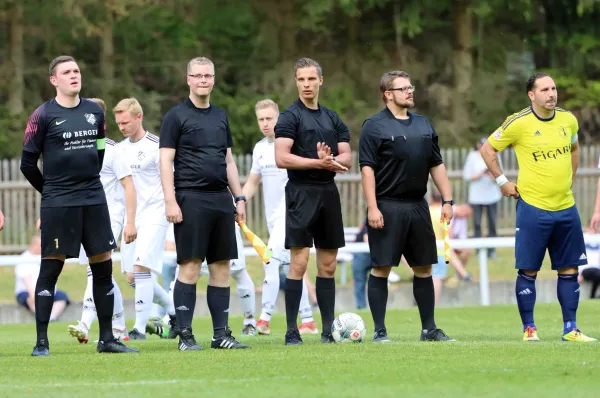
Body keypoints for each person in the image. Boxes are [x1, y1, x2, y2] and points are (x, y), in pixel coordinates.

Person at [19, 55, 137, 355]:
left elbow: (99, 151)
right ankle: (41, 342)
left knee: (103, 268)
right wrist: (51, 192)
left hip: (93, 199)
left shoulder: (94, 112)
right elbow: (27, 164)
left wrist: (86, 183)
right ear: (54, 80)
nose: (74, 75)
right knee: (50, 269)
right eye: (67, 72)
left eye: (77, 71)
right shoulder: (42, 115)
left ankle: (107, 339)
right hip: (58, 203)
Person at [480, 72, 596, 342]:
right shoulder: (518, 123)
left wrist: (570, 178)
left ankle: (571, 329)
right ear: (531, 95)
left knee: (569, 269)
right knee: (529, 269)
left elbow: (574, 148)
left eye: (554, 88)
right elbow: (488, 149)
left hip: (566, 207)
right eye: (544, 89)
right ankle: (529, 329)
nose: (551, 94)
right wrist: (502, 182)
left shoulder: (568, 120)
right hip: (533, 208)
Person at [358, 70, 455, 343]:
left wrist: (447, 200)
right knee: (382, 268)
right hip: (387, 207)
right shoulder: (374, 126)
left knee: (424, 268)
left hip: (418, 207)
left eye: (410, 87)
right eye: (403, 89)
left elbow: (436, 164)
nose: (410, 92)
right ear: (388, 94)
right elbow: (367, 170)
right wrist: (372, 207)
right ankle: (380, 331)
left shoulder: (424, 124)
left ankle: (429, 329)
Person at [159, 56, 249, 350]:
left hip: (220, 200)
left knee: (222, 266)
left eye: (207, 76)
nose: (202, 80)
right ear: (188, 79)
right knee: (191, 266)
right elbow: (165, 160)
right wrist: (171, 201)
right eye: (197, 76)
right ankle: (185, 336)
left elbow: (229, 160)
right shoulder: (175, 116)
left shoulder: (220, 115)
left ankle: (220, 335)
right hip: (190, 199)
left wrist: (240, 197)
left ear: (213, 78)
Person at [275, 57, 352, 345]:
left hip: (328, 194)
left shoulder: (332, 118)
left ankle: (328, 330)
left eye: (311, 79)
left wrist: (331, 161)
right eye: (301, 80)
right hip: (300, 192)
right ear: (296, 82)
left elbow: (347, 157)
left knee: (328, 264)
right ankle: (291, 330)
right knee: (299, 261)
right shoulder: (289, 117)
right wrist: (317, 163)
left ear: (321, 80)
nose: (306, 84)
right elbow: (281, 157)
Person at [242, 99, 319, 336]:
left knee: (270, 261)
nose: (265, 124)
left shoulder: (292, 146)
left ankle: (263, 319)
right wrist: (240, 201)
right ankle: (307, 320)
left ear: (278, 119)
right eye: (261, 120)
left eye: (269, 119)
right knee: (290, 267)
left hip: (293, 214)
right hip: (273, 219)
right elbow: (253, 181)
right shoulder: (259, 149)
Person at [68, 97, 136, 344]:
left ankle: (85, 324)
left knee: (95, 274)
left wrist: (130, 221)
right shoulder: (76, 148)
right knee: (101, 274)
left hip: (111, 216)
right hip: (87, 215)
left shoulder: (113, 150)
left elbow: (129, 186)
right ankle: (119, 326)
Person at [114, 97, 178, 340]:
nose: (122, 127)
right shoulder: (119, 149)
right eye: (119, 123)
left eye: (126, 122)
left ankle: (139, 328)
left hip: (155, 213)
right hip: (132, 216)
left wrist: (171, 206)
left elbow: (169, 179)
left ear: (139, 117)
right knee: (131, 277)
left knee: (141, 269)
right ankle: (174, 313)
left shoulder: (156, 146)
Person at [462, 137, 501, 258]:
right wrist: (480, 174)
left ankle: (491, 251)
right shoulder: (472, 156)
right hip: (476, 196)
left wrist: (491, 175)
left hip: (492, 196)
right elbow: (467, 176)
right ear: (478, 145)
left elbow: (500, 176)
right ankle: (479, 251)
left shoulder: (495, 156)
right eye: (481, 144)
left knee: (492, 224)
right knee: (477, 224)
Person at [16, 235, 70, 321]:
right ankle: (42, 317)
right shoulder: (24, 259)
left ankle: (51, 317)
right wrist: (33, 294)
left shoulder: (44, 257)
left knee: (62, 296)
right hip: (27, 291)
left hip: (44, 289)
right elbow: (26, 279)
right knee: (31, 298)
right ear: (34, 246)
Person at [352, 218, 371, 309]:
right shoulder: (370, 219)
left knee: (360, 282)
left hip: (363, 254)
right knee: (360, 282)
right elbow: (366, 238)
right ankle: (362, 306)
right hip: (363, 253)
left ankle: (362, 306)